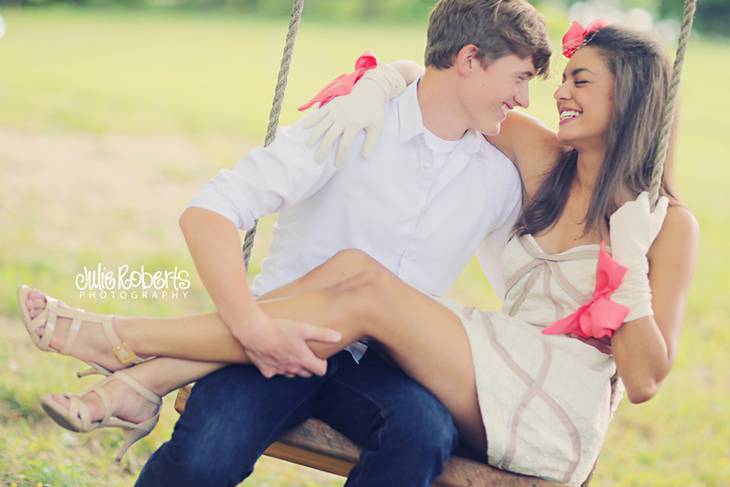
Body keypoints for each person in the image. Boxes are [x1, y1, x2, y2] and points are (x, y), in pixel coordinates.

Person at [16, 1, 553, 486]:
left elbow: (529, 280)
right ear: (468, 59)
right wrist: (251, 327)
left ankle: (132, 366)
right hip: (270, 331)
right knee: (208, 453)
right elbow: (209, 213)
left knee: (423, 435)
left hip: (381, 365)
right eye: (520, 77)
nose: (525, 100)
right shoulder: (351, 125)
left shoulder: (496, 181)